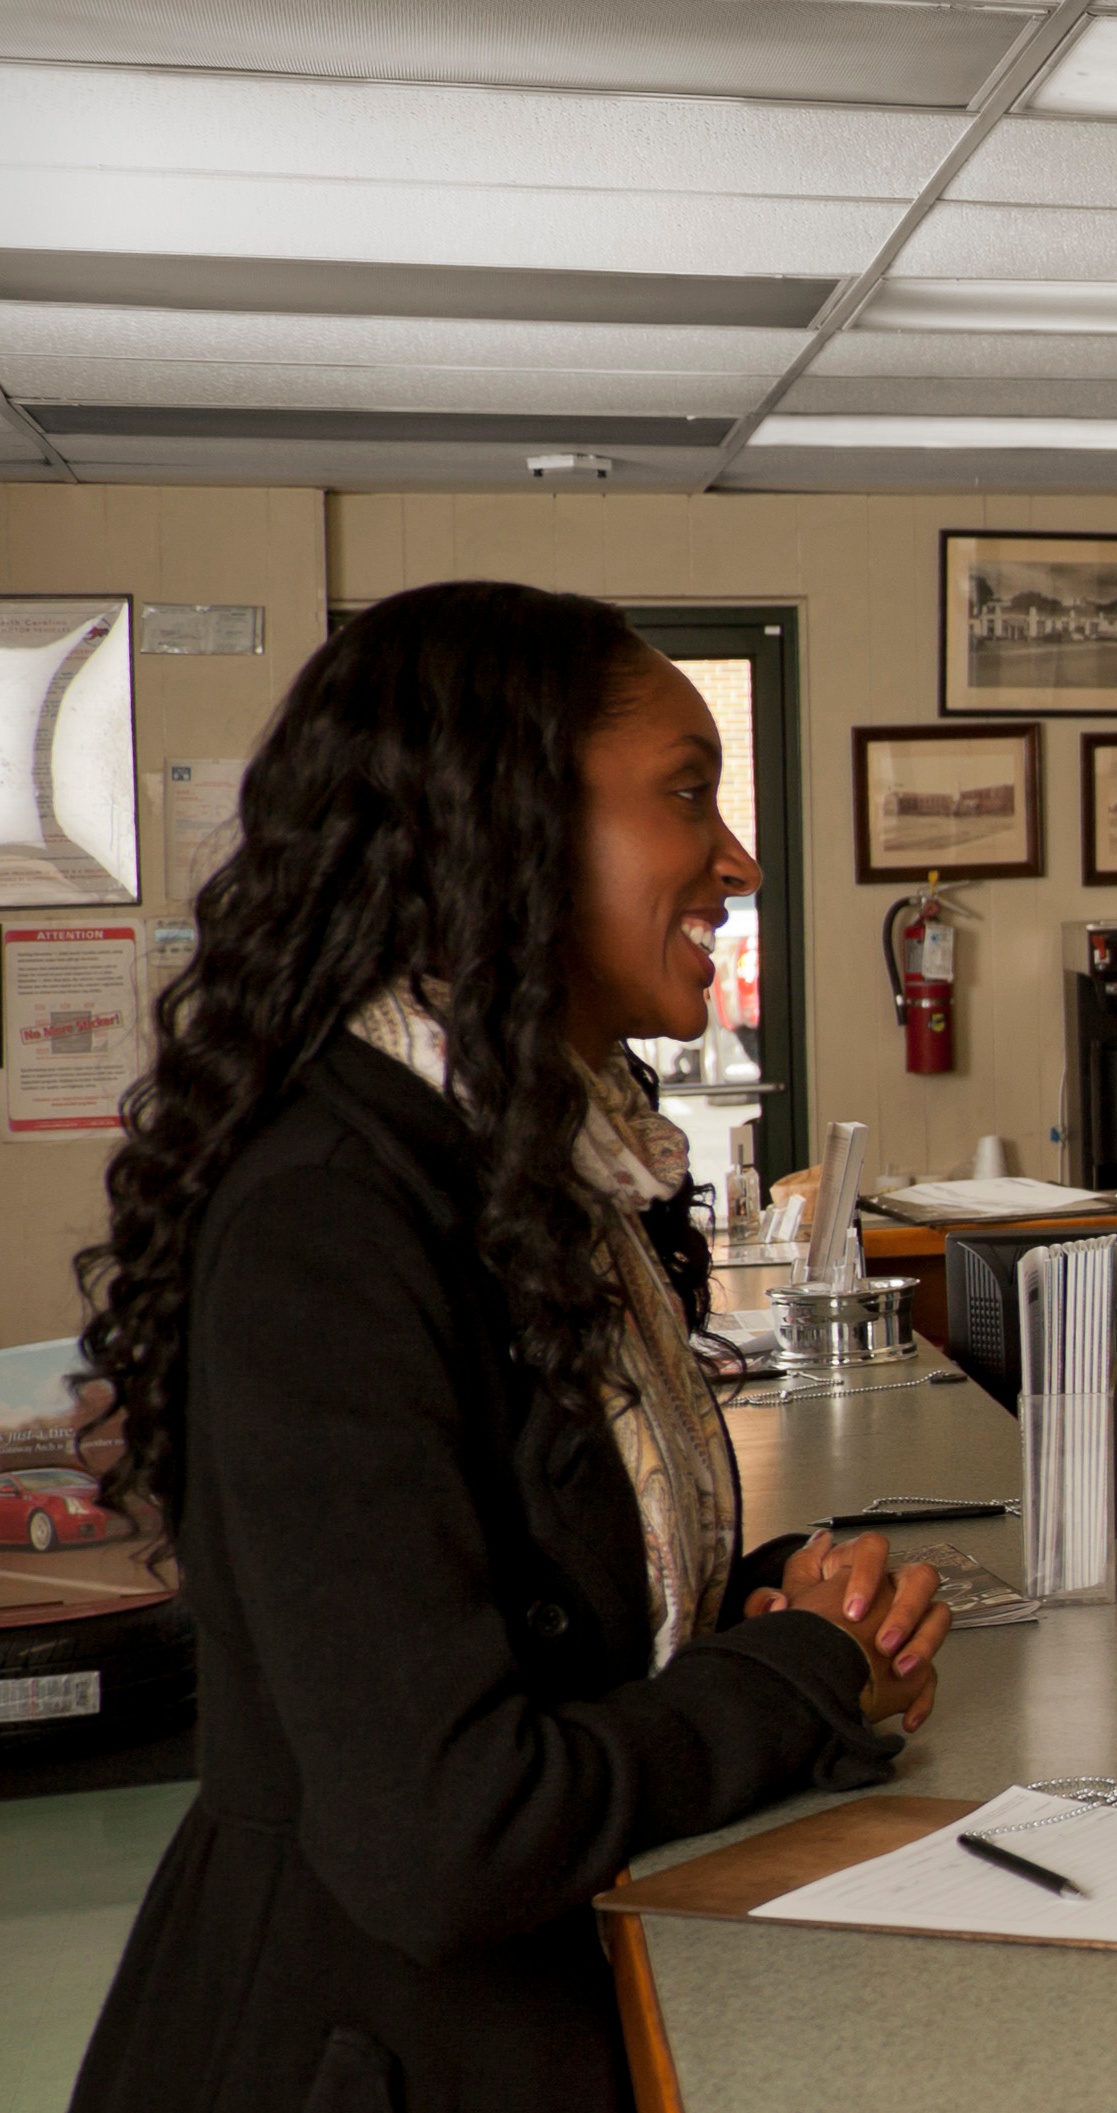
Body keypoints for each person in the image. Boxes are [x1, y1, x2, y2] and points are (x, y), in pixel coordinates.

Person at [66, 581, 952, 2112]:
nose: (736, 859)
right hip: (365, 2053)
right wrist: (803, 1672)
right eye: (686, 794)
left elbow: (524, 1590)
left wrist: (749, 1602)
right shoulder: (329, 1216)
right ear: (504, 823)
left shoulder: (534, 1156)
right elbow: (447, 1832)